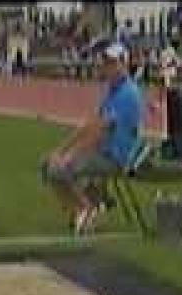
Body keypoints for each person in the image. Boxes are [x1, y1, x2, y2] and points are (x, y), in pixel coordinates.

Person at [41, 40, 143, 235]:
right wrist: (62, 149)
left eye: (112, 63)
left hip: (114, 158)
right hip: (102, 152)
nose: (107, 68)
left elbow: (101, 131)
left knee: (58, 169)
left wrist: (69, 156)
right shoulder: (113, 93)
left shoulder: (128, 93)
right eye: (105, 63)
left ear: (124, 63)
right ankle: (87, 207)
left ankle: (87, 209)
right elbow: (91, 125)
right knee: (49, 165)